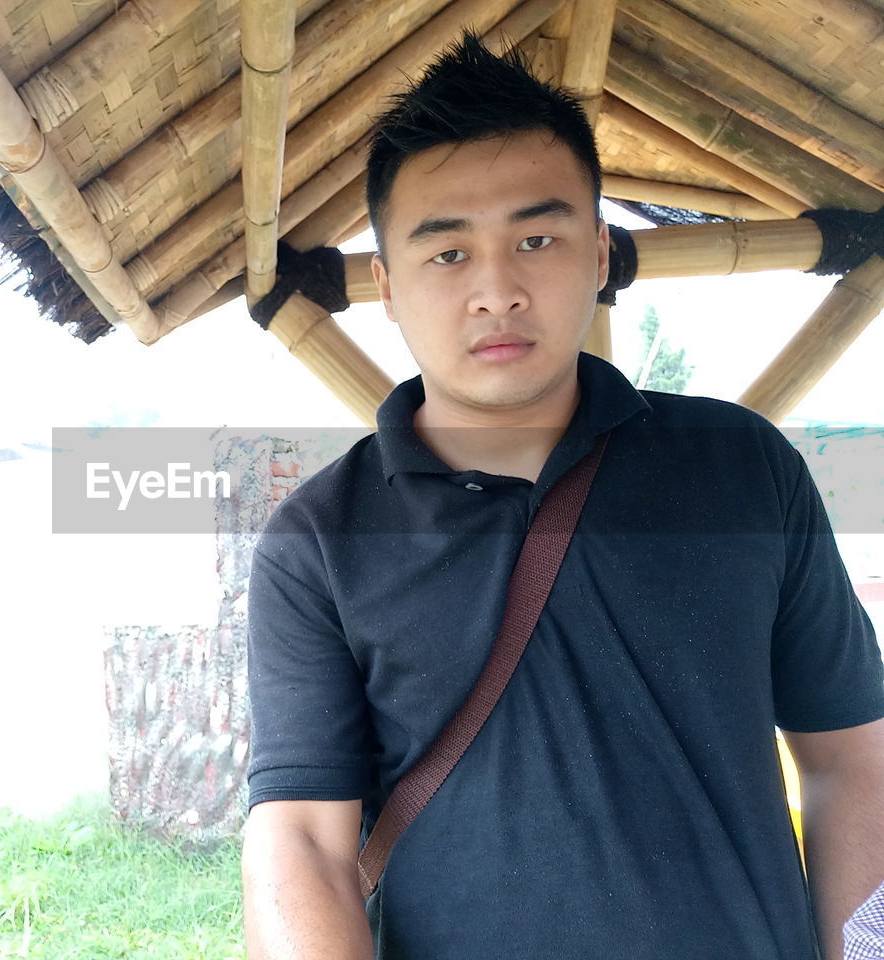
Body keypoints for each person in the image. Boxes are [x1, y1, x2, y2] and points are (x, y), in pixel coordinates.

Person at [240, 34, 884, 960]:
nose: (497, 291)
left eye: (536, 239)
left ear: (598, 254)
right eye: (448, 253)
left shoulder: (742, 467)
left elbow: (847, 759)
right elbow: (300, 835)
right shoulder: (320, 541)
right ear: (386, 285)